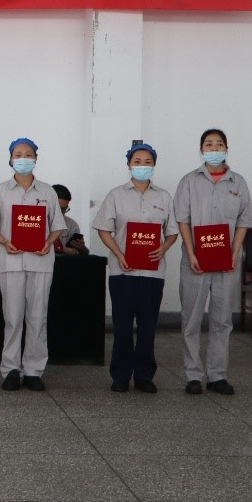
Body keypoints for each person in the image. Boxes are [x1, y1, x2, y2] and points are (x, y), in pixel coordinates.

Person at [174, 129, 252, 396]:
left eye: (219, 144)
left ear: (226, 149)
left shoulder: (238, 182)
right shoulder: (189, 181)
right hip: (195, 261)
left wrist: (235, 252)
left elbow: (244, 220)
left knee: (222, 320)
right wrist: (191, 253)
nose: (214, 149)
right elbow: (183, 219)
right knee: (191, 319)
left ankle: (217, 375)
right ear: (201, 150)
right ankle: (193, 375)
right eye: (208, 144)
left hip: (227, 262)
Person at [0, 138, 66, 391]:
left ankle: (33, 371)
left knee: (38, 317)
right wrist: (5, 242)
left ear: (36, 159)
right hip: (11, 261)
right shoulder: (0, 191)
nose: (23, 159)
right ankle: (10, 369)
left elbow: (58, 226)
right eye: (18, 155)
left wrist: (48, 242)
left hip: (41, 261)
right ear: (10, 159)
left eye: (28, 154)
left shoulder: (47, 192)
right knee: (12, 317)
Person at [93, 142, 178, 393]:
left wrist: (164, 248)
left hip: (152, 272)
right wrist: (118, 253)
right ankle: (120, 375)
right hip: (122, 271)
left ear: (154, 165)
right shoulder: (115, 195)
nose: (142, 166)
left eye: (147, 162)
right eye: (137, 162)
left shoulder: (164, 197)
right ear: (129, 165)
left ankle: (144, 376)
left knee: (148, 326)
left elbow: (172, 231)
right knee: (122, 326)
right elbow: (103, 229)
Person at [52, 184, 89, 256]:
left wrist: (81, 249)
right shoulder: (35, 221)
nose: (62, 213)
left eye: (64, 209)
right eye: (59, 209)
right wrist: (63, 249)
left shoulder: (72, 225)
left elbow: (83, 254)